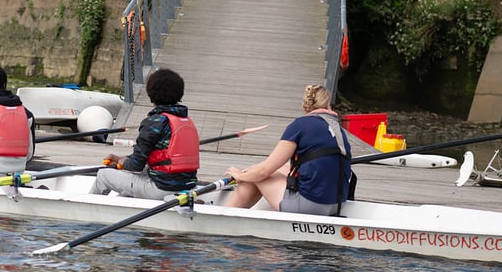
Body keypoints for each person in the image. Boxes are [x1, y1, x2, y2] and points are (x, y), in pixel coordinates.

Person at [224, 84, 352, 216]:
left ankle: (224, 214)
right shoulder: (339, 130)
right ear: (329, 105)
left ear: (305, 106)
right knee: (275, 168)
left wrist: (239, 176)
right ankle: (232, 210)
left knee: (256, 173)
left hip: (309, 205)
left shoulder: (299, 125)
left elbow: (263, 171)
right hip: (337, 205)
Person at [91, 68, 199, 200]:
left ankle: (85, 211)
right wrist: (123, 158)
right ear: (180, 94)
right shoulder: (187, 122)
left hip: (161, 189)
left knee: (103, 175)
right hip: (188, 188)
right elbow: (153, 156)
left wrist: (122, 161)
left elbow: (135, 165)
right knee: (139, 176)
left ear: (151, 94)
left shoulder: (154, 122)